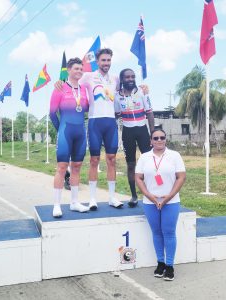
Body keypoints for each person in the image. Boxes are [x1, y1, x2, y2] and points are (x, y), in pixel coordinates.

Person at [55, 48, 123, 210]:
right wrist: (59, 82)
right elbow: (72, 81)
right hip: (94, 122)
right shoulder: (88, 76)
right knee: (94, 160)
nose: (106, 63)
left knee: (112, 159)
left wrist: (142, 88)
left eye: (108, 60)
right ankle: (92, 198)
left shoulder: (115, 79)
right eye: (103, 60)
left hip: (110, 123)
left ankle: (112, 197)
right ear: (97, 62)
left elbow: (125, 89)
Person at [135, 129, 186, 281]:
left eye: (162, 137)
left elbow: (181, 177)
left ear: (166, 139)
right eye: (155, 138)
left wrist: (168, 197)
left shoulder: (174, 156)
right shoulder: (144, 157)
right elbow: (138, 177)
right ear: (150, 141)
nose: (159, 140)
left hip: (170, 201)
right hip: (150, 202)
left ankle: (170, 266)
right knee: (156, 233)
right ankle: (160, 263)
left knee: (169, 233)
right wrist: (149, 196)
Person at [49, 57, 90, 218]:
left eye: (81, 69)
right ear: (68, 70)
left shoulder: (84, 89)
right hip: (65, 132)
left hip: (80, 133)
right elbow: (52, 113)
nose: (79, 71)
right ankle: (57, 205)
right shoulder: (59, 88)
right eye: (76, 69)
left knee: (77, 167)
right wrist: (60, 131)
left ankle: (74, 203)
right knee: (61, 168)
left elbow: (87, 107)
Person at [115, 68, 154, 207]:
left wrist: (153, 134)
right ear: (122, 79)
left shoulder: (142, 91)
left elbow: (149, 113)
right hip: (128, 132)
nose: (131, 79)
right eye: (127, 77)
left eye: (133, 76)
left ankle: (151, 194)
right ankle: (133, 196)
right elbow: (116, 114)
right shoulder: (117, 96)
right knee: (131, 165)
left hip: (143, 130)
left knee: (149, 163)